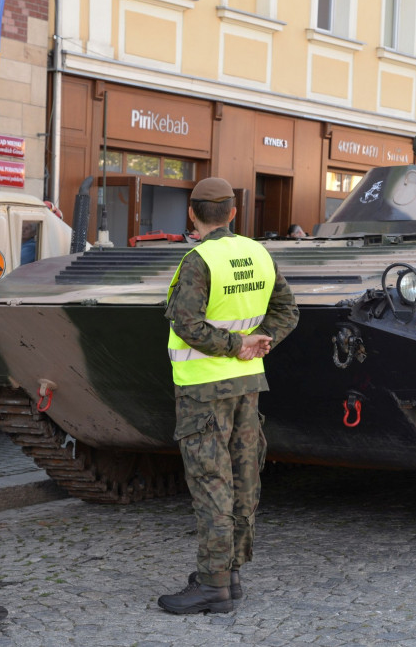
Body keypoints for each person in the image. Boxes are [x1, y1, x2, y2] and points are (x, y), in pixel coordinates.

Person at [159, 177, 299, 614]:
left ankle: (213, 585)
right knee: (243, 478)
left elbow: (187, 325)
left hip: (204, 389)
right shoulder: (258, 253)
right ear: (235, 214)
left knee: (211, 483)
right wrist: (261, 340)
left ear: (192, 213)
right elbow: (288, 311)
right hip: (248, 386)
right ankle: (231, 572)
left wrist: (236, 344)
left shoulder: (198, 259)